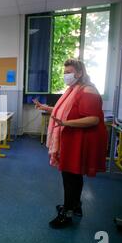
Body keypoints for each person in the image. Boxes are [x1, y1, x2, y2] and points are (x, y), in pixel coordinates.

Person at [34, 58, 108, 229]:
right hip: (72, 138)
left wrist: (66, 124)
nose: (66, 75)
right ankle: (75, 206)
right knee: (73, 175)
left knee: (70, 176)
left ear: (80, 73)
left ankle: (67, 213)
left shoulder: (88, 90)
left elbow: (93, 119)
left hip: (79, 140)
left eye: (69, 72)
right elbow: (64, 111)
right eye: (65, 72)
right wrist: (46, 108)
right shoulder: (74, 89)